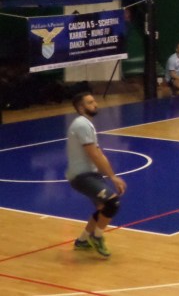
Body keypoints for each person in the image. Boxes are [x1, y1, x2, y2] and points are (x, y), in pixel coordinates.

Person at [66, 92, 127, 257]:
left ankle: (82, 240)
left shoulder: (87, 124)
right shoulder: (82, 125)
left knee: (102, 208)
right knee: (112, 203)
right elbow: (94, 154)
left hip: (91, 174)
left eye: (94, 101)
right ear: (81, 108)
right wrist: (112, 177)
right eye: (90, 102)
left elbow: (99, 153)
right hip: (82, 176)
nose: (95, 104)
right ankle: (97, 236)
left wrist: (111, 175)